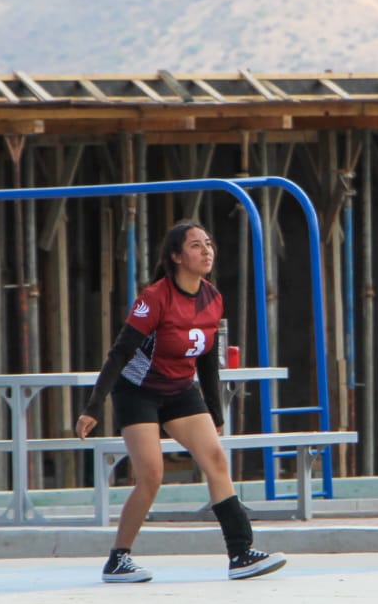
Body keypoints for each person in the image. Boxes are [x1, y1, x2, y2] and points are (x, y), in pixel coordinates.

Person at [76, 220, 286, 583]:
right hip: (138, 390)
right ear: (176, 256)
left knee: (216, 460)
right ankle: (118, 558)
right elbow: (119, 353)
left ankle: (240, 553)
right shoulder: (155, 297)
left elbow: (206, 359)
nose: (206, 251)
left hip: (180, 390)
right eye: (195, 246)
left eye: (208, 244)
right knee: (151, 476)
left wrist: (215, 413)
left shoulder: (213, 298)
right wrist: (93, 407)